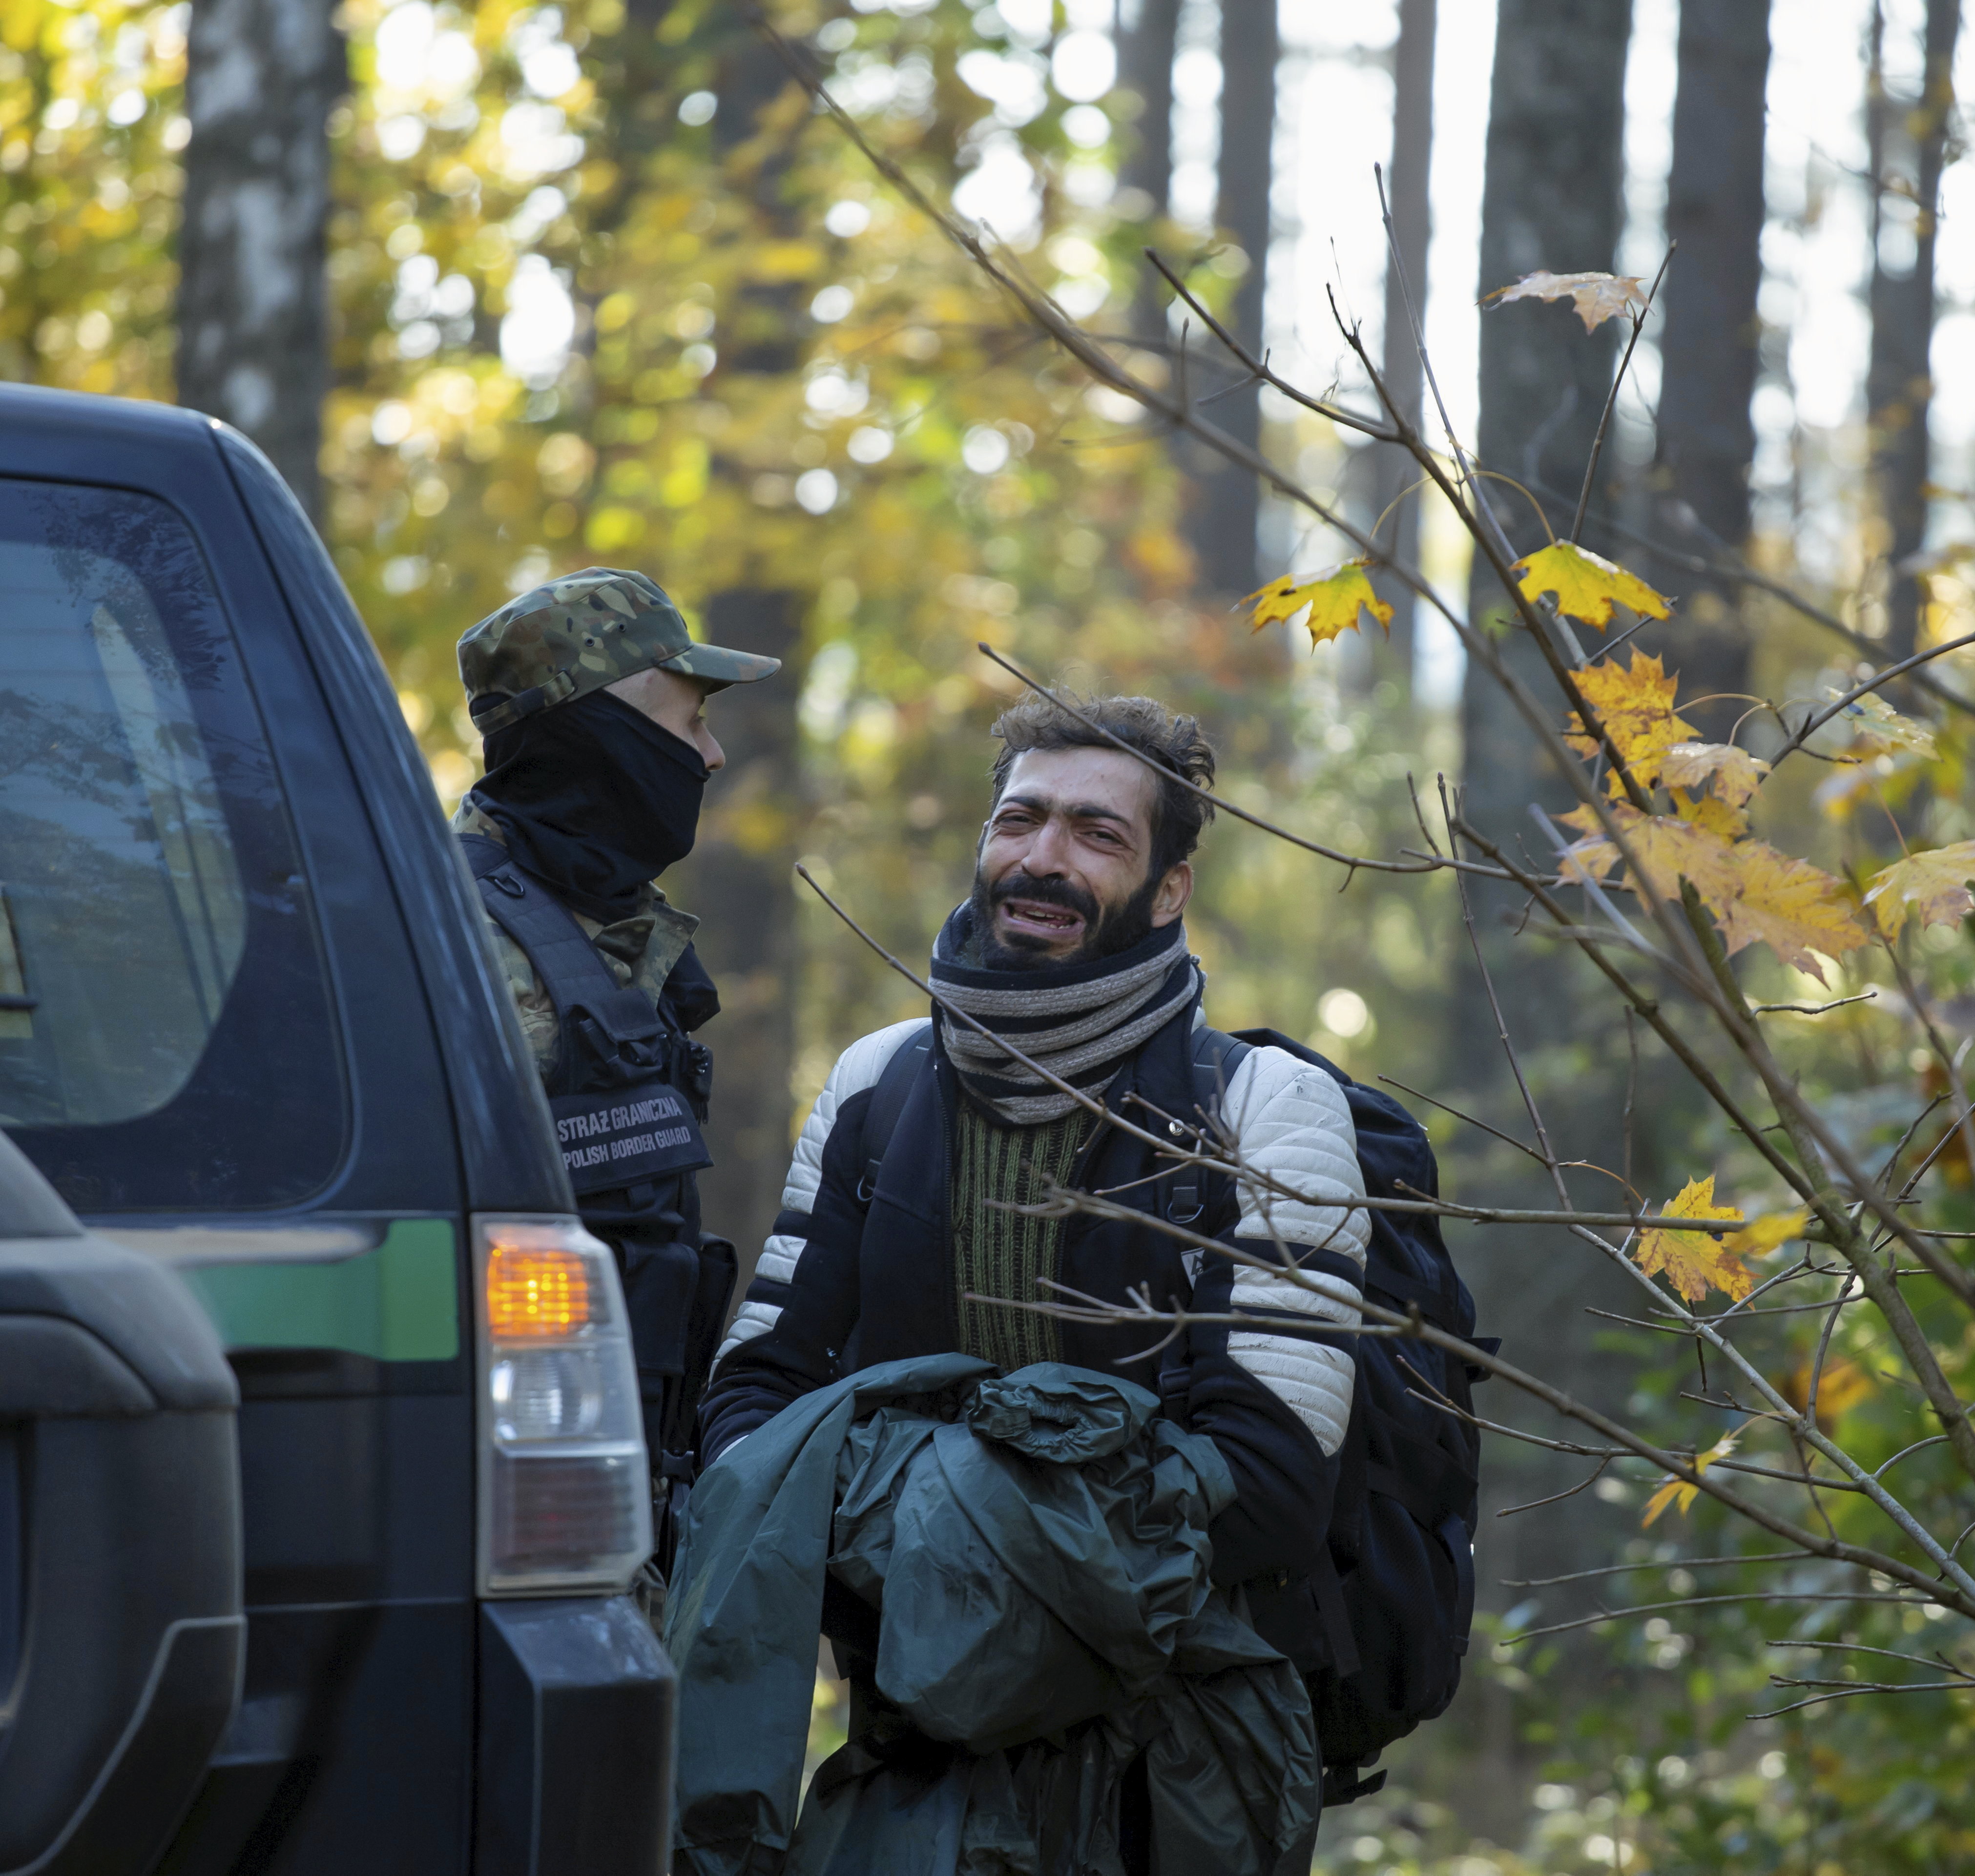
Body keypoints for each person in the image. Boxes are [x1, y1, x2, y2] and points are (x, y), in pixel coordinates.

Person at [698, 694, 1367, 1831]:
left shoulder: (1270, 1107)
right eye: (1020, 820)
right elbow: (752, 1412)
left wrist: (900, 1515)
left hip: (1178, 1768)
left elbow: (1268, 1485)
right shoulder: (878, 1082)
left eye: (1097, 834)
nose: (1042, 859)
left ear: (1169, 889)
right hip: (909, 1741)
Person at [454, 566, 780, 1572]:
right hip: (498, 1528)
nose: (715, 755)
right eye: (691, 722)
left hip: (617, 1504)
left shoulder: (621, 940)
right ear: (607, 730)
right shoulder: (449, 944)